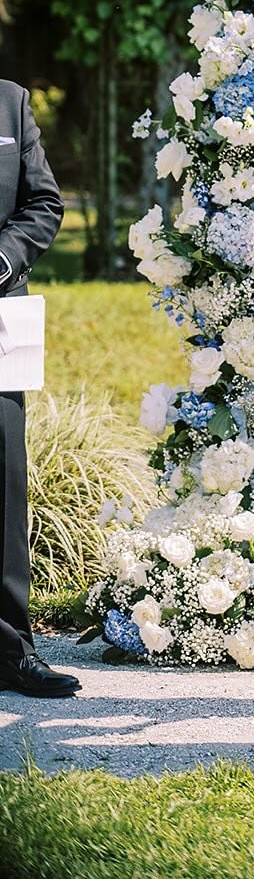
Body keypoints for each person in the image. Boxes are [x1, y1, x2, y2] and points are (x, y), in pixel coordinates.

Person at [0, 78, 74, 699]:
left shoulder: (10, 102)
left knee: (3, 480)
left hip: (0, 318)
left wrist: (4, 258)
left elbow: (44, 203)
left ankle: (10, 651)